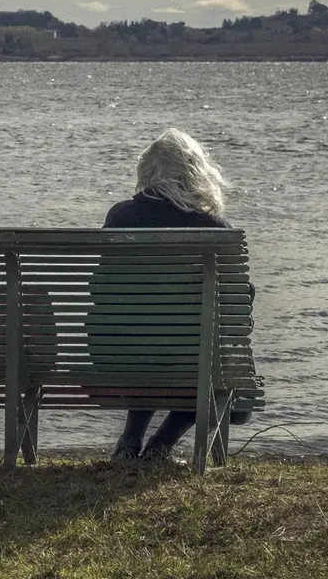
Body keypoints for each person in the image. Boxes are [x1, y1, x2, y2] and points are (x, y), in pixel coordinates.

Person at [99, 128, 253, 462]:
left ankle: (129, 442)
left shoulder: (119, 217)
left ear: (145, 173)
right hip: (188, 364)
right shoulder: (214, 229)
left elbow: (102, 290)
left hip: (116, 362)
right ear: (197, 173)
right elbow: (240, 305)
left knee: (148, 342)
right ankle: (160, 446)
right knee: (211, 372)